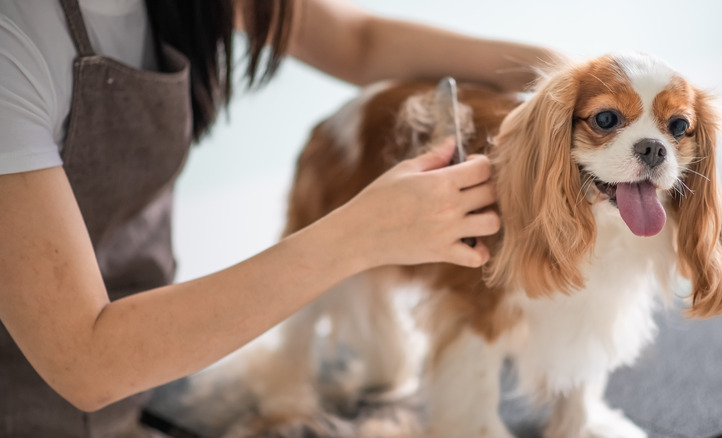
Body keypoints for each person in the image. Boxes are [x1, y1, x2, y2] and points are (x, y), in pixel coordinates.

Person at [0, 0, 563, 436]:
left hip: (146, 379)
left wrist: (562, 79)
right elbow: (85, 361)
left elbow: (356, 42)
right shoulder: (14, 44)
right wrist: (360, 234)